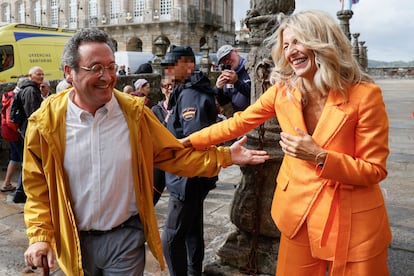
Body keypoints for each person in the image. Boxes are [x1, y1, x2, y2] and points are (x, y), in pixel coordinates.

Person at [22, 28, 269, 275]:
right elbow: (37, 186)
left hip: (125, 239)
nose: (107, 76)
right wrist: (40, 235)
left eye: (110, 67)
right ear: (69, 72)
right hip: (71, 239)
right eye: (95, 68)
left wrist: (225, 156)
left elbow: (172, 154)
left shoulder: (134, 114)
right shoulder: (45, 124)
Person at [182, 10, 391, 276]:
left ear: (321, 42)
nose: (290, 50)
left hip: (352, 220)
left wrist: (320, 156)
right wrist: (191, 141)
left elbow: (374, 169)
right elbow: (239, 122)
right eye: (286, 44)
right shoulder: (284, 91)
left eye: (298, 41)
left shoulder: (365, 96)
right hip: (298, 214)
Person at [159, 45, 219, 276]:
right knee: (192, 230)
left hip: (186, 177)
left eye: (173, 65)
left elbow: (195, 139)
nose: (169, 70)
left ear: (189, 65)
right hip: (193, 176)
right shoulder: (189, 89)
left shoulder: (191, 94)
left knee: (171, 238)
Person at [12, 66, 44, 203]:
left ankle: (21, 192)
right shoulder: (31, 90)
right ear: (30, 76)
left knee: (29, 160)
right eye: (38, 74)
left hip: (27, 129)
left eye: (42, 74)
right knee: (30, 161)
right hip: (30, 130)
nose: (41, 76)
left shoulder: (29, 88)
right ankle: (20, 192)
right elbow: (33, 114)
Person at [151, 73, 174, 205]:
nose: (169, 88)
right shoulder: (155, 110)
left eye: (172, 85)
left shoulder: (182, 107)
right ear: (161, 89)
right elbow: (156, 135)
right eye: (166, 86)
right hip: (162, 157)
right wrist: (167, 121)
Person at [1, 78, 24, 192]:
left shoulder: (8, 95)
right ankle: (8, 184)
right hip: (14, 133)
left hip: (8, 132)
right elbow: (11, 120)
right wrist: (20, 130)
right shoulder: (15, 97)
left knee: (14, 158)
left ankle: (7, 183)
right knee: (19, 158)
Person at [214, 44, 251, 113]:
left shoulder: (250, 68)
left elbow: (254, 93)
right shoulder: (229, 75)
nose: (227, 61)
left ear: (236, 52)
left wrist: (236, 82)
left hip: (255, 115)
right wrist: (219, 89)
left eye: (228, 56)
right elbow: (223, 101)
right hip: (239, 117)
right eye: (223, 61)